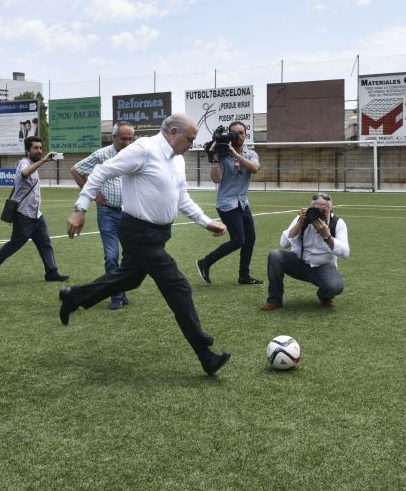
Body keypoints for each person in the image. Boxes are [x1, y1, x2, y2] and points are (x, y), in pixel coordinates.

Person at [60, 113, 232, 376]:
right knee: (179, 286)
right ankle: (205, 354)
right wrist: (80, 209)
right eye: (190, 139)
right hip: (138, 232)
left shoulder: (177, 160)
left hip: (159, 234)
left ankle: (75, 297)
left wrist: (205, 221)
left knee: (130, 278)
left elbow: (182, 197)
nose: (191, 145)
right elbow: (101, 172)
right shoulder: (143, 149)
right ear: (173, 132)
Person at [0, 136, 69, 284]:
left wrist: (41, 161)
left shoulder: (33, 164)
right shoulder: (23, 163)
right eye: (35, 148)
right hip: (23, 216)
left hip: (36, 215)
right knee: (14, 245)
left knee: (45, 243)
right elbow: (25, 173)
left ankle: (52, 272)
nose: (39, 150)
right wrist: (43, 161)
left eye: (40, 148)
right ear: (27, 150)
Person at [70, 121, 135, 310]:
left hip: (130, 213)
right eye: (123, 139)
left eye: (130, 138)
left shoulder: (134, 153)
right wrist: (92, 193)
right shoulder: (102, 155)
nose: (127, 142)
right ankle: (116, 296)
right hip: (108, 212)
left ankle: (120, 289)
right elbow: (76, 170)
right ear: (113, 137)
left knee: (130, 255)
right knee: (111, 255)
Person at [195, 121, 262, 285]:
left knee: (250, 239)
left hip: (242, 203)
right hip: (227, 204)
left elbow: (255, 169)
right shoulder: (222, 155)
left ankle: (244, 276)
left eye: (241, 132)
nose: (238, 136)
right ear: (229, 136)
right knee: (238, 240)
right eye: (234, 133)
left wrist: (236, 155)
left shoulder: (251, 154)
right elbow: (216, 179)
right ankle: (205, 262)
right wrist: (215, 159)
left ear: (246, 134)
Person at [260, 192, 350, 310]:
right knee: (275, 255)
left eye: (324, 210)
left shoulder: (337, 223)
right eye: (317, 209)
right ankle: (275, 300)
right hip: (299, 262)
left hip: (324, 266)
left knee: (335, 287)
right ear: (311, 208)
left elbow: (345, 253)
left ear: (330, 210)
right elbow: (283, 243)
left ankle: (324, 295)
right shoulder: (303, 218)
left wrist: (327, 237)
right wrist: (300, 223)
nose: (320, 213)